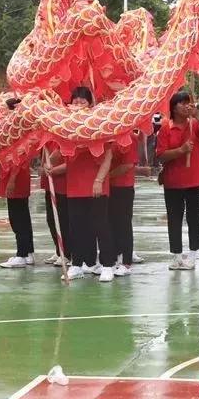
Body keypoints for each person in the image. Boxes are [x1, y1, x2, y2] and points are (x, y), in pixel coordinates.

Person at [50, 87, 115, 282]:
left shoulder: (100, 125)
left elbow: (108, 156)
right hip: (75, 186)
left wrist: (99, 180)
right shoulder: (66, 129)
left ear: (90, 104)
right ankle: (77, 264)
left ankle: (107, 265)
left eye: (82, 102)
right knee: (76, 227)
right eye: (75, 102)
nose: (78, 105)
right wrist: (55, 143)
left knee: (100, 225)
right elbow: (56, 157)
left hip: (96, 185)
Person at [156, 91, 199, 271]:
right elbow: (160, 156)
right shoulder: (166, 128)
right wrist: (180, 151)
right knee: (174, 218)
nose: (186, 106)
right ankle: (176, 255)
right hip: (173, 180)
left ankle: (192, 254)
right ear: (173, 107)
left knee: (194, 217)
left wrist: (198, 115)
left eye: (188, 102)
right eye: (182, 103)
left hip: (195, 179)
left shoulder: (195, 125)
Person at [108, 136, 138, 276]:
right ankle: (113, 257)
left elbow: (127, 165)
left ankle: (126, 262)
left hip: (123, 186)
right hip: (108, 187)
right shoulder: (106, 137)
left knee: (123, 224)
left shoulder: (128, 137)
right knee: (111, 223)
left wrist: (104, 176)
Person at [0, 161, 35, 269]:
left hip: (17, 179)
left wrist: (12, 179)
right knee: (23, 217)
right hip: (16, 177)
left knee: (18, 219)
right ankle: (28, 252)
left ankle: (22, 255)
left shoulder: (18, 144)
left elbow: (20, 159)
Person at [40, 145, 70, 266]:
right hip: (50, 186)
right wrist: (45, 168)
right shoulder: (46, 142)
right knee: (51, 220)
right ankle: (59, 250)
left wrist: (53, 168)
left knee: (63, 221)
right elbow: (42, 168)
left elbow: (71, 164)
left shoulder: (63, 140)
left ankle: (67, 253)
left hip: (64, 188)